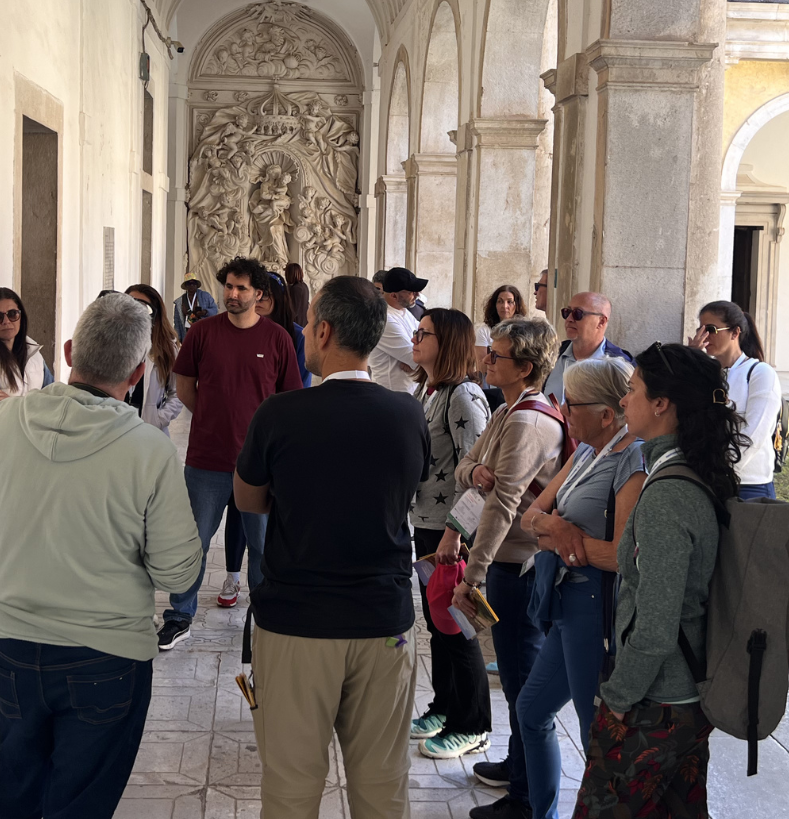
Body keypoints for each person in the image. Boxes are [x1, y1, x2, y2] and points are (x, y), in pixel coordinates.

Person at [0, 293, 205, 819]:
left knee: (16, 788)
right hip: (107, 658)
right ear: (135, 374)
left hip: (17, 648)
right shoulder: (148, 449)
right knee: (79, 801)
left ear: (67, 352)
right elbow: (178, 571)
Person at [233, 276, 430, 819]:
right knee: (383, 786)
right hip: (382, 622)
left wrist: (299, 501)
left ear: (322, 330)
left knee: (292, 788)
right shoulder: (408, 414)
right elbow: (403, 492)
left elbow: (249, 499)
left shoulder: (281, 414)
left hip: (299, 623)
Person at [572, 343, 742, 818]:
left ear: (662, 403)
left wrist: (619, 697)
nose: (624, 401)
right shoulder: (682, 470)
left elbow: (656, 621)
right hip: (682, 699)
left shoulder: (669, 496)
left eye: (632, 391)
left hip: (658, 703)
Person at [515, 358, 646, 819]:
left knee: (597, 734)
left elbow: (625, 555)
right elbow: (531, 516)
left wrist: (573, 541)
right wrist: (556, 529)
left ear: (607, 413)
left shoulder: (632, 458)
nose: (562, 410)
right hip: (566, 600)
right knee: (531, 712)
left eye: (571, 403)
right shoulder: (588, 450)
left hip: (594, 604)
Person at [452, 318, 565, 819]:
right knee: (518, 677)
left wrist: (473, 574)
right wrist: (472, 472)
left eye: (495, 357)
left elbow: (502, 503)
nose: (485, 361)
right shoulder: (506, 408)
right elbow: (469, 468)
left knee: (522, 681)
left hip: (517, 563)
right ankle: (518, 766)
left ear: (524, 366)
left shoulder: (526, 419)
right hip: (503, 558)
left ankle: (525, 797)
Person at [160, 257, 304, 650]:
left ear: (260, 294)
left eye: (242, 288)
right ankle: (179, 615)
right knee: (195, 540)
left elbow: (288, 398)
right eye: (229, 287)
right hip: (207, 459)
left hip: (259, 464)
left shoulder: (277, 339)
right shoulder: (203, 333)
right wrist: (209, 417)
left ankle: (264, 616)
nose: (233, 294)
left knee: (262, 545)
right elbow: (185, 384)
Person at [407, 308, 495, 759]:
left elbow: (480, 475)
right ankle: (445, 706)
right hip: (427, 525)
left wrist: (456, 533)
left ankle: (473, 722)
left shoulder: (465, 397)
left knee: (458, 626)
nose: (416, 338)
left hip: (451, 533)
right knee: (438, 627)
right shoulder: (430, 390)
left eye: (425, 334)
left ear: (450, 343)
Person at [216, 269, 311, 608]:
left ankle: (268, 586)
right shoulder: (230, 331)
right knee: (236, 512)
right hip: (230, 445)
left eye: (265, 298)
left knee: (264, 522)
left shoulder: (293, 338)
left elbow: (297, 390)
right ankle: (232, 574)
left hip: (274, 445)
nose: (259, 304)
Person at [689, 300, 782, 500]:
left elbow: (755, 432)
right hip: (708, 480)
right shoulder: (705, 372)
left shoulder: (760, 373)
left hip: (748, 484)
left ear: (735, 332)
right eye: (701, 329)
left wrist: (722, 470)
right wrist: (691, 360)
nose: (705, 335)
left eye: (712, 329)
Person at [543, 292, 633, 401]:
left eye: (577, 314)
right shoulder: (551, 353)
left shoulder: (620, 366)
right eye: (567, 312)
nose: (569, 319)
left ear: (601, 321)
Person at [123, 283, 184, 433]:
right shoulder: (115, 343)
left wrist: (158, 419)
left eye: (142, 307)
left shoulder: (166, 348)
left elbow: (177, 392)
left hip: (149, 429)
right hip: (117, 428)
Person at [0, 287, 54, 403]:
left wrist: (12, 402)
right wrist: (36, 406)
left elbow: (53, 401)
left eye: (12, 314)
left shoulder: (34, 352)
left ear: (21, 316)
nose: (6, 321)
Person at [370, 266, 425, 393]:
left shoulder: (404, 312)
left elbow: (430, 342)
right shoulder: (384, 318)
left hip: (409, 392)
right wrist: (418, 364)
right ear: (394, 296)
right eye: (411, 291)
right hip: (391, 395)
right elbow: (415, 359)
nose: (417, 294)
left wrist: (418, 365)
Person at [476, 284, 526, 352]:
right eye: (500, 301)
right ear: (495, 305)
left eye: (509, 302)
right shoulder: (484, 331)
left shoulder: (525, 332)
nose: (504, 306)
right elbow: (481, 362)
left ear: (517, 306)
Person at [172, 272, 217, 342]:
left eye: (194, 283)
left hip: (203, 333)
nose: (192, 285)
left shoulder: (206, 296)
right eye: (189, 284)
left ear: (196, 285)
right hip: (187, 334)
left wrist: (205, 312)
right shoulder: (179, 302)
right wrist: (178, 339)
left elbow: (215, 310)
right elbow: (177, 322)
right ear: (186, 286)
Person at [285, 261, 311, 326]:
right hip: (303, 322)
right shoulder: (303, 285)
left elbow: (293, 309)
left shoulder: (296, 288)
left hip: (297, 324)